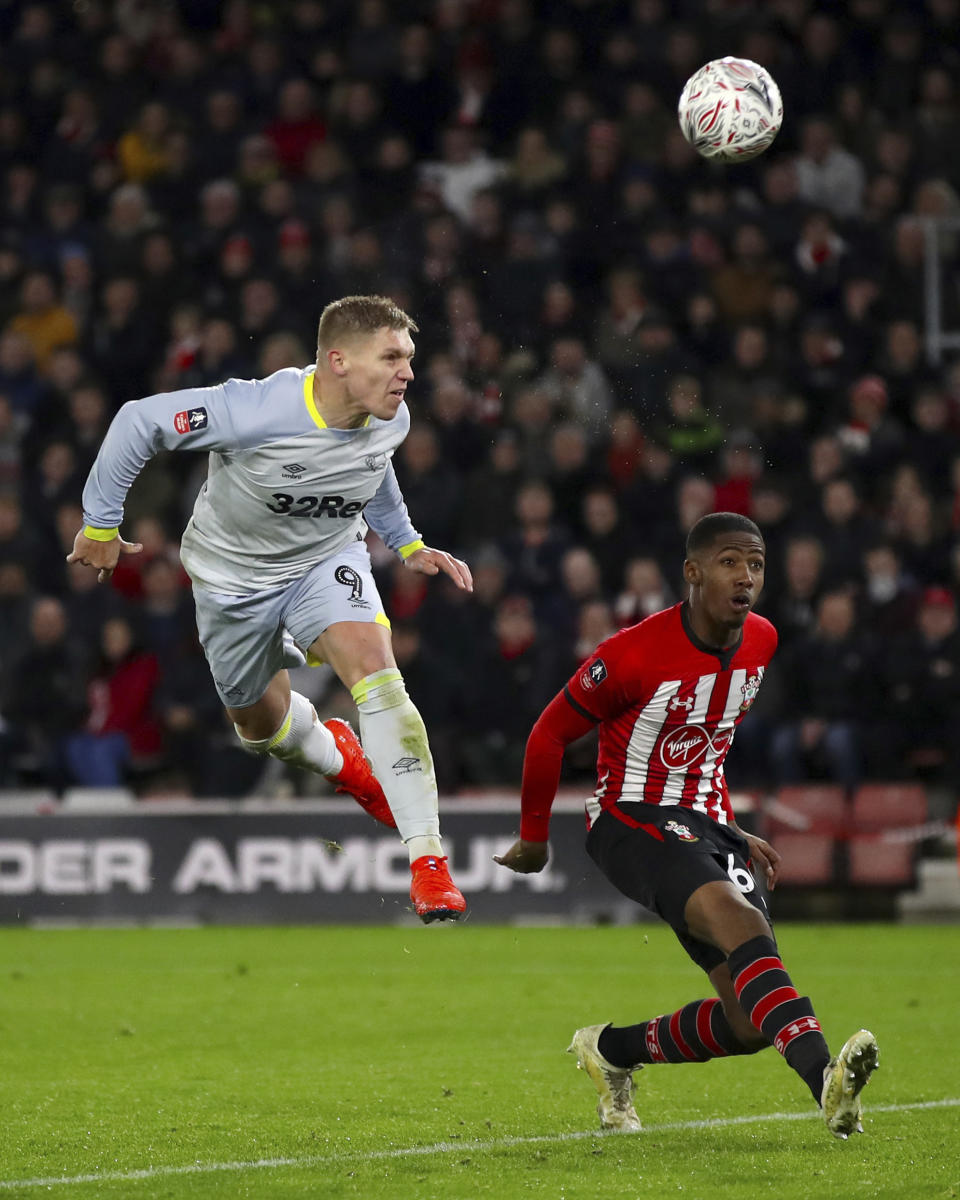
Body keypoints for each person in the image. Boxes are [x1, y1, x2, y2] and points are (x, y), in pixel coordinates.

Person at [67, 294, 471, 922]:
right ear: (338, 361)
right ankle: (347, 762)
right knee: (260, 729)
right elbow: (137, 421)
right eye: (392, 357)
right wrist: (100, 523)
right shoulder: (255, 409)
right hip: (232, 583)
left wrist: (407, 542)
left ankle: (428, 862)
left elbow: (374, 469)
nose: (408, 373)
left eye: (409, 358)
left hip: (324, 562)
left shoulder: (392, 417)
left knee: (378, 675)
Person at [495, 513, 878, 1138]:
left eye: (755, 563)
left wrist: (728, 827)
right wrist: (534, 836)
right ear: (692, 573)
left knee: (751, 1021)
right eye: (730, 561)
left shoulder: (763, 640)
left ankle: (610, 1051)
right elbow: (549, 734)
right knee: (742, 922)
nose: (746, 576)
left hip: (706, 823)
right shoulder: (632, 652)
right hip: (630, 815)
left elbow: (706, 746)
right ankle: (826, 1082)